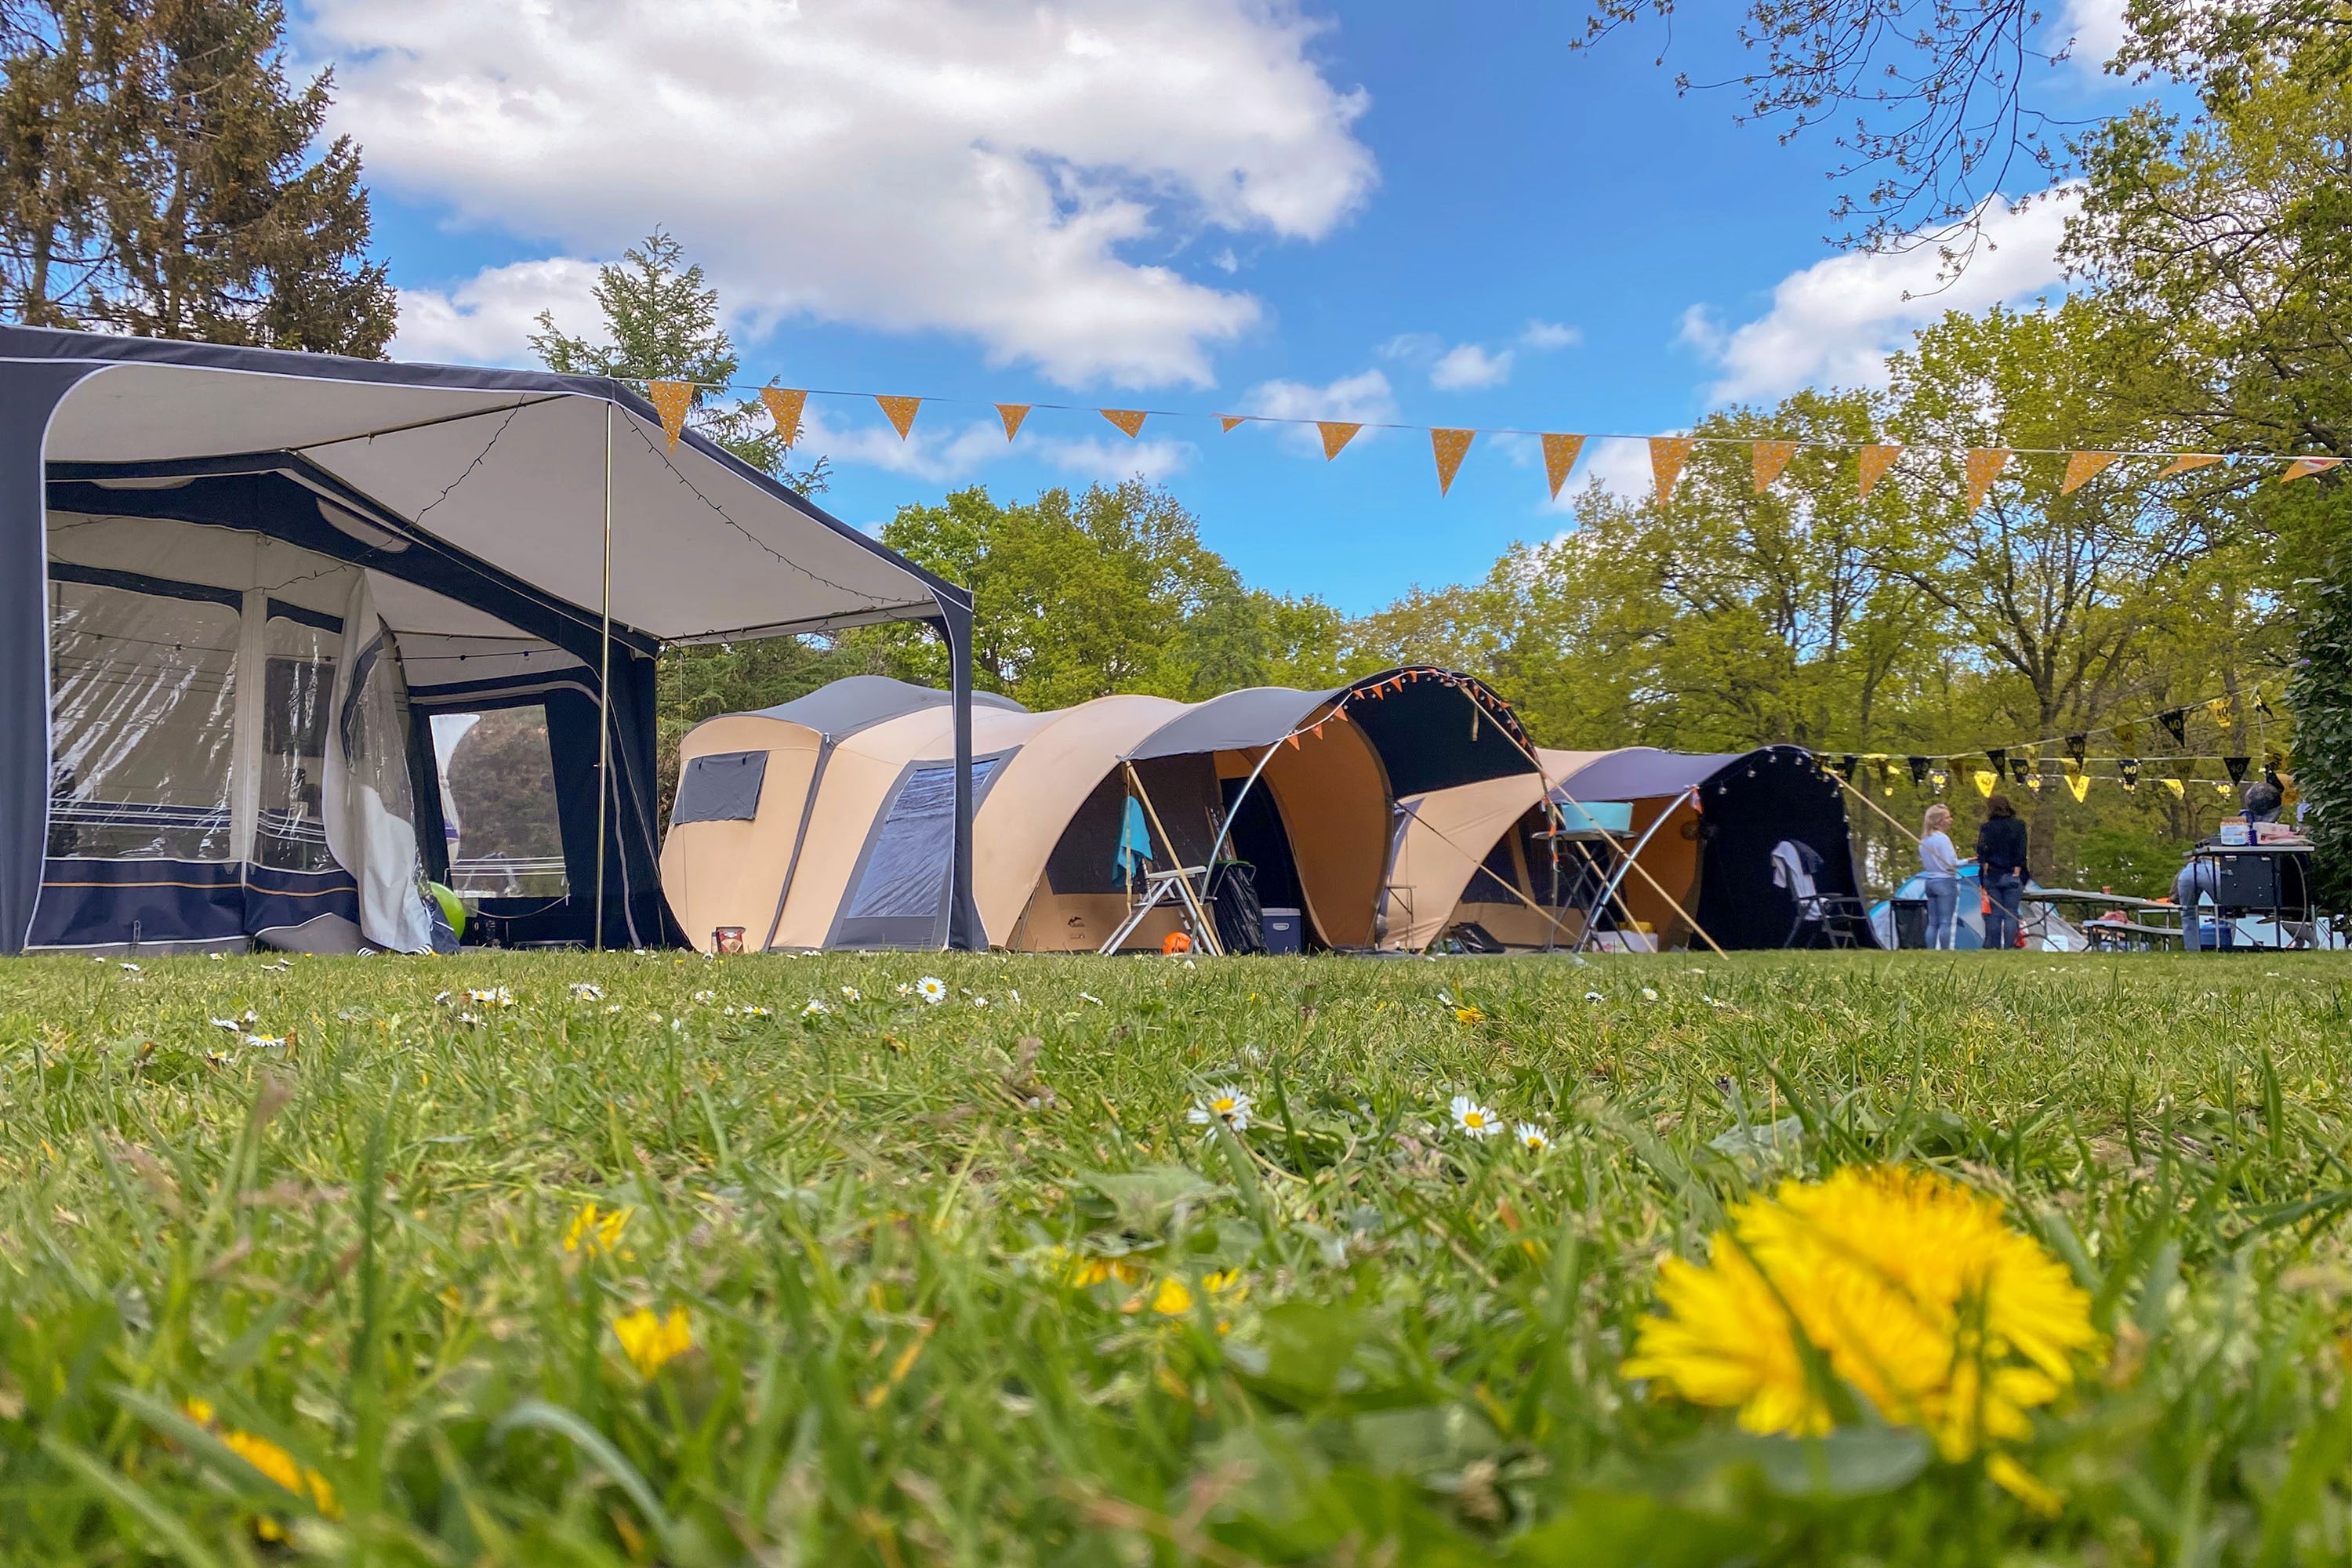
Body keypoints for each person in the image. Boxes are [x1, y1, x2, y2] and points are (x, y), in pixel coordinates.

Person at [1975, 794, 2028, 951]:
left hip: (1993, 873)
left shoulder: (1987, 827)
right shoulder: (2019, 826)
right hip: (2013, 873)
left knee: (1995, 913)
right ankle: (2009, 946)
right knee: (2011, 913)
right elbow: (2021, 849)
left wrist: (1985, 867)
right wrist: (2018, 869)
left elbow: (1981, 850)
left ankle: (1995, 947)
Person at [1918, 804, 1961, 949]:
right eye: (1947, 817)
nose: (1951, 820)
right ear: (1938, 822)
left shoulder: (1924, 840)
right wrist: (1968, 861)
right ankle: (1945, 951)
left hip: (1930, 881)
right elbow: (1950, 863)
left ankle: (1931, 951)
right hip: (1945, 881)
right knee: (1945, 921)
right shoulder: (1943, 839)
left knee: (1933, 921)